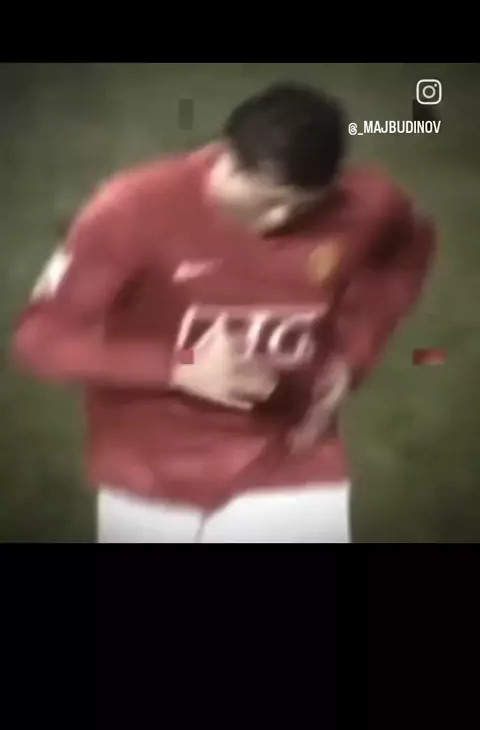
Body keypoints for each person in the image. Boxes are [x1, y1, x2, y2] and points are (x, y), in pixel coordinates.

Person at [12, 82, 436, 543]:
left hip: (290, 459)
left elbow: (405, 251)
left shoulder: (368, 204)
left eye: (300, 207)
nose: (279, 220)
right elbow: (41, 342)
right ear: (227, 160)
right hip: (150, 468)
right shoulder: (131, 209)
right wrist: (182, 366)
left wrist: (352, 357)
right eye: (268, 200)